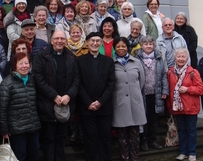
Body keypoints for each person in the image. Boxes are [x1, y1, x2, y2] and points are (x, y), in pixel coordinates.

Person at [32, 30, 79, 161]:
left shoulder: (71, 57)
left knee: (61, 140)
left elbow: (76, 79)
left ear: (66, 41)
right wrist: (53, 96)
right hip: (47, 105)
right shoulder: (41, 56)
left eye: (62, 39)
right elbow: (38, 78)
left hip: (65, 105)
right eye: (57, 38)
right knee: (48, 140)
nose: (59, 41)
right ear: (51, 40)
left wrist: (69, 95)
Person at [77, 32, 115, 161]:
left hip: (104, 107)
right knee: (90, 137)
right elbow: (78, 83)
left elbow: (111, 84)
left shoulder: (109, 61)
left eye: (98, 41)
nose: (95, 43)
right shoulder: (80, 61)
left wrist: (100, 101)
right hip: (87, 107)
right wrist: (88, 102)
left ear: (101, 43)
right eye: (92, 41)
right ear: (87, 43)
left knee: (105, 137)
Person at [0, 52, 41, 161]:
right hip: (17, 129)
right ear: (15, 65)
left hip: (33, 127)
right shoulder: (7, 83)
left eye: (26, 63)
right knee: (19, 156)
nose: (24, 66)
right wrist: (4, 130)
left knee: (34, 154)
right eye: (21, 63)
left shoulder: (32, 79)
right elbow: (2, 109)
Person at [112, 37, 146, 161]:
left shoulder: (136, 62)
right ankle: (125, 158)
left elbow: (141, 82)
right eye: (118, 46)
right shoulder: (112, 63)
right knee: (122, 137)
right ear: (115, 48)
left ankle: (135, 158)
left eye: (124, 46)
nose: (121, 48)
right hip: (120, 104)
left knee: (135, 135)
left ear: (127, 47)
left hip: (135, 103)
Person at [167, 48, 203, 161]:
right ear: (175, 58)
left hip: (190, 107)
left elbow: (201, 89)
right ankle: (183, 152)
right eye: (179, 56)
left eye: (183, 57)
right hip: (178, 107)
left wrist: (188, 89)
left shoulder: (193, 72)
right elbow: (169, 90)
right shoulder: (170, 72)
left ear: (187, 58)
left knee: (191, 130)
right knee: (181, 130)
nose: (181, 59)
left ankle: (192, 152)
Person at [135, 35, 168, 151]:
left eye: (150, 44)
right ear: (142, 46)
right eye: (146, 44)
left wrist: (165, 90)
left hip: (155, 93)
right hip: (142, 94)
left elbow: (164, 75)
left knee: (153, 119)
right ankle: (143, 141)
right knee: (143, 119)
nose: (148, 46)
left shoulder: (159, 58)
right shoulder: (137, 58)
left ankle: (152, 140)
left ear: (154, 45)